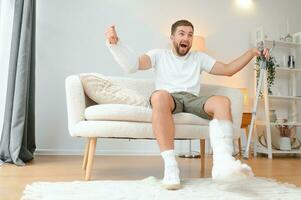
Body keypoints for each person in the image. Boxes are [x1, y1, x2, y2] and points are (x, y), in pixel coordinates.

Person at [105, 19, 270, 190]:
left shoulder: (199, 57)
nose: (186, 38)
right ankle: (170, 167)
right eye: (181, 34)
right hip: (169, 98)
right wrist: (115, 44)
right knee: (159, 96)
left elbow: (228, 70)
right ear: (172, 37)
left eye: (190, 35)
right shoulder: (158, 55)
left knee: (222, 101)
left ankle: (223, 164)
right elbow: (133, 66)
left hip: (192, 99)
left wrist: (251, 53)